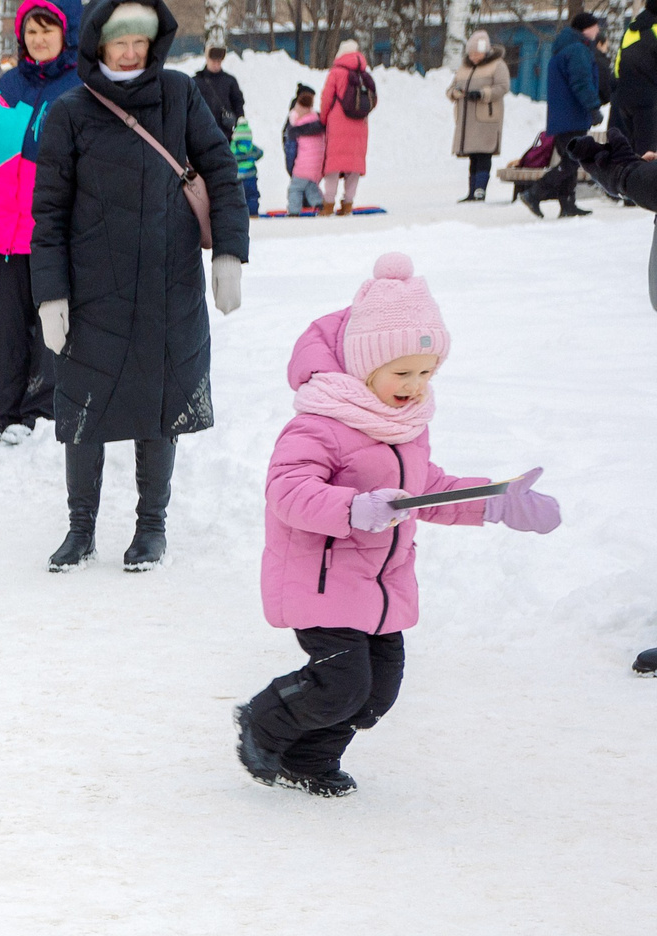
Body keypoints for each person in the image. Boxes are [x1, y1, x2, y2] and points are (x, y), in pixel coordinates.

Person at [234, 254, 563, 797]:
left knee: (376, 693)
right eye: (402, 373)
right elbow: (286, 491)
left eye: (427, 373)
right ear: (365, 367)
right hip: (323, 580)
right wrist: (353, 508)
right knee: (341, 685)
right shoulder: (319, 423)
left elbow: (424, 492)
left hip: (382, 586)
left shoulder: (404, 426)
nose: (416, 386)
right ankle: (264, 720)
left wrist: (496, 503)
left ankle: (310, 761)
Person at [31, 0, 248, 570]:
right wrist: (49, 294)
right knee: (84, 406)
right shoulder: (70, 112)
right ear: (97, 45)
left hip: (167, 282)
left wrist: (228, 255)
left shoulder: (179, 95)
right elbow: (48, 212)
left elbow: (221, 172)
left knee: (159, 402)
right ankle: (81, 529)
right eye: (118, 42)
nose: (129, 53)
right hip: (91, 289)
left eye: (139, 42)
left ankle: (151, 526)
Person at [0, 0, 76, 449]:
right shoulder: (8, 87)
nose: (39, 38)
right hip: (6, 235)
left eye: (48, 29)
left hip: (52, 235)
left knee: (48, 327)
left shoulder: (80, 87)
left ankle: (39, 410)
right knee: (7, 328)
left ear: (66, 34)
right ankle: (7, 411)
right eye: (32, 30)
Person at [527, 13, 607, 216]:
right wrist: (593, 107)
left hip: (564, 116)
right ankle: (534, 193)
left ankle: (567, 204)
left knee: (572, 159)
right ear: (586, 28)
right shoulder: (577, 49)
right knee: (573, 161)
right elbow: (581, 82)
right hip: (572, 116)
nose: (597, 31)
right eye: (595, 27)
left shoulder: (565, 47)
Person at [444, 32, 510, 203]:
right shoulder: (464, 68)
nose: (473, 57)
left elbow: (503, 87)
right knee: (473, 156)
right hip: (467, 120)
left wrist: (482, 94)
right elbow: (450, 89)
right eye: (471, 54)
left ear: (485, 51)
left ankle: (480, 190)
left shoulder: (497, 65)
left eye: (477, 54)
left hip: (486, 119)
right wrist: (456, 93)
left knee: (483, 154)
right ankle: (472, 191)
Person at [317, 38, 375, 215]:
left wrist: (324, 119)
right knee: (354, 165)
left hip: (338, 122)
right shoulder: (363, 74)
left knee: (334, 165)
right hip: (360, 124)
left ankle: (328, 205)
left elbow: (326, 98)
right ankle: (348, 204)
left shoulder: (336, 72)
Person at [613, 5, 657, 155]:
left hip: (625, 102)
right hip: (649, 102)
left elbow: (618, 68)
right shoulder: (655, 30)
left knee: (635, 153)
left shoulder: (630, 31)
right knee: (649, 154)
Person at [283, 84, 327, 214]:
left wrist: (291, 168)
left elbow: (290, 150)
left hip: (302, 166)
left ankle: (293, 211)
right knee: (310, 186)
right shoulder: (317, 122)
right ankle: (320, 205)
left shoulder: (296, 124)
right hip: (317, 166)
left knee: (295, 189)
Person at [191, 41, 243, 140]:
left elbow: (238, 105)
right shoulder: (195, 82)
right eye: (213, 61)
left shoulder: (230, 81)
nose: (216, 64)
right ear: (207, 58)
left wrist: (238, 122)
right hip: (201, 137)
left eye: (219, 61)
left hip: (226, 136)